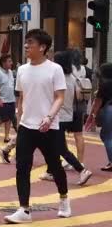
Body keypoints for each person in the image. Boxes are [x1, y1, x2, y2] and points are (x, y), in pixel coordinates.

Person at [4, 29, 70, 224]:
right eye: (26, 43)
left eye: (30, 43)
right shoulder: (22, 70)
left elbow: (60, 97)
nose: (26, 46)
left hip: (49, 127)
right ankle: (24, 209)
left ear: (42, 47)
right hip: (27, 126)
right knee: (22, 167)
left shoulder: (54, 69)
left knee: (55, 166)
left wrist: (49, 117)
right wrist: (18, 120)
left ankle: (64, 198)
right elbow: (22, 98)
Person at [37, 51, 92, 186]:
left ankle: (82, 169)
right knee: (51, 145)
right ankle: (50, 171)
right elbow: (77, 96)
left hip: (57, 117)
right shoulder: (71, 78)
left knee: (60, 148)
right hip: (67, 115)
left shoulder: (56, 76)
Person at [85, 63, 112, 172]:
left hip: (109, 109)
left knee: (107, 136)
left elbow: (97, 102)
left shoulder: (105, 85)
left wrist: (92, 116)